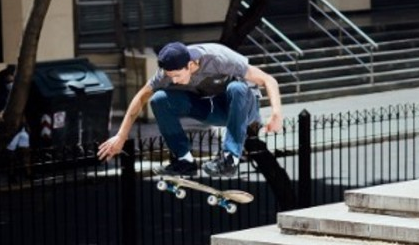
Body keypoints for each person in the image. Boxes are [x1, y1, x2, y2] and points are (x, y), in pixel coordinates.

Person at [97, 41, 283, 177]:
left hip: (242, 108)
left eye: (177, 76)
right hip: (211, 108)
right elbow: (141, 97)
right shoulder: (166, 73)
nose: (174, 81)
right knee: (159, 99)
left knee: (237, 88)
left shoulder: (219, 58)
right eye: (171, 77)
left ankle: (230, 159)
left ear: (191, 64)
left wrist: (276, 113)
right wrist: (121, 135)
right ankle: (185, 160)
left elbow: (268, 79)